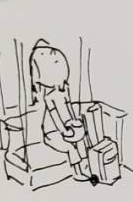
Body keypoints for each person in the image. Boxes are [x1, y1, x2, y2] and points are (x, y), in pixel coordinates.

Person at [28, 40, 94, 182]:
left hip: (66, 126)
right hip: (52, 133)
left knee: (81, 141)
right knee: (71, 148)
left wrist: (75, 121)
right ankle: (77, 172)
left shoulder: (65, 90)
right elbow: (55, 117)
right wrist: (64, 131)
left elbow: (69, 107)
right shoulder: (49, 97)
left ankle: (86, 167)